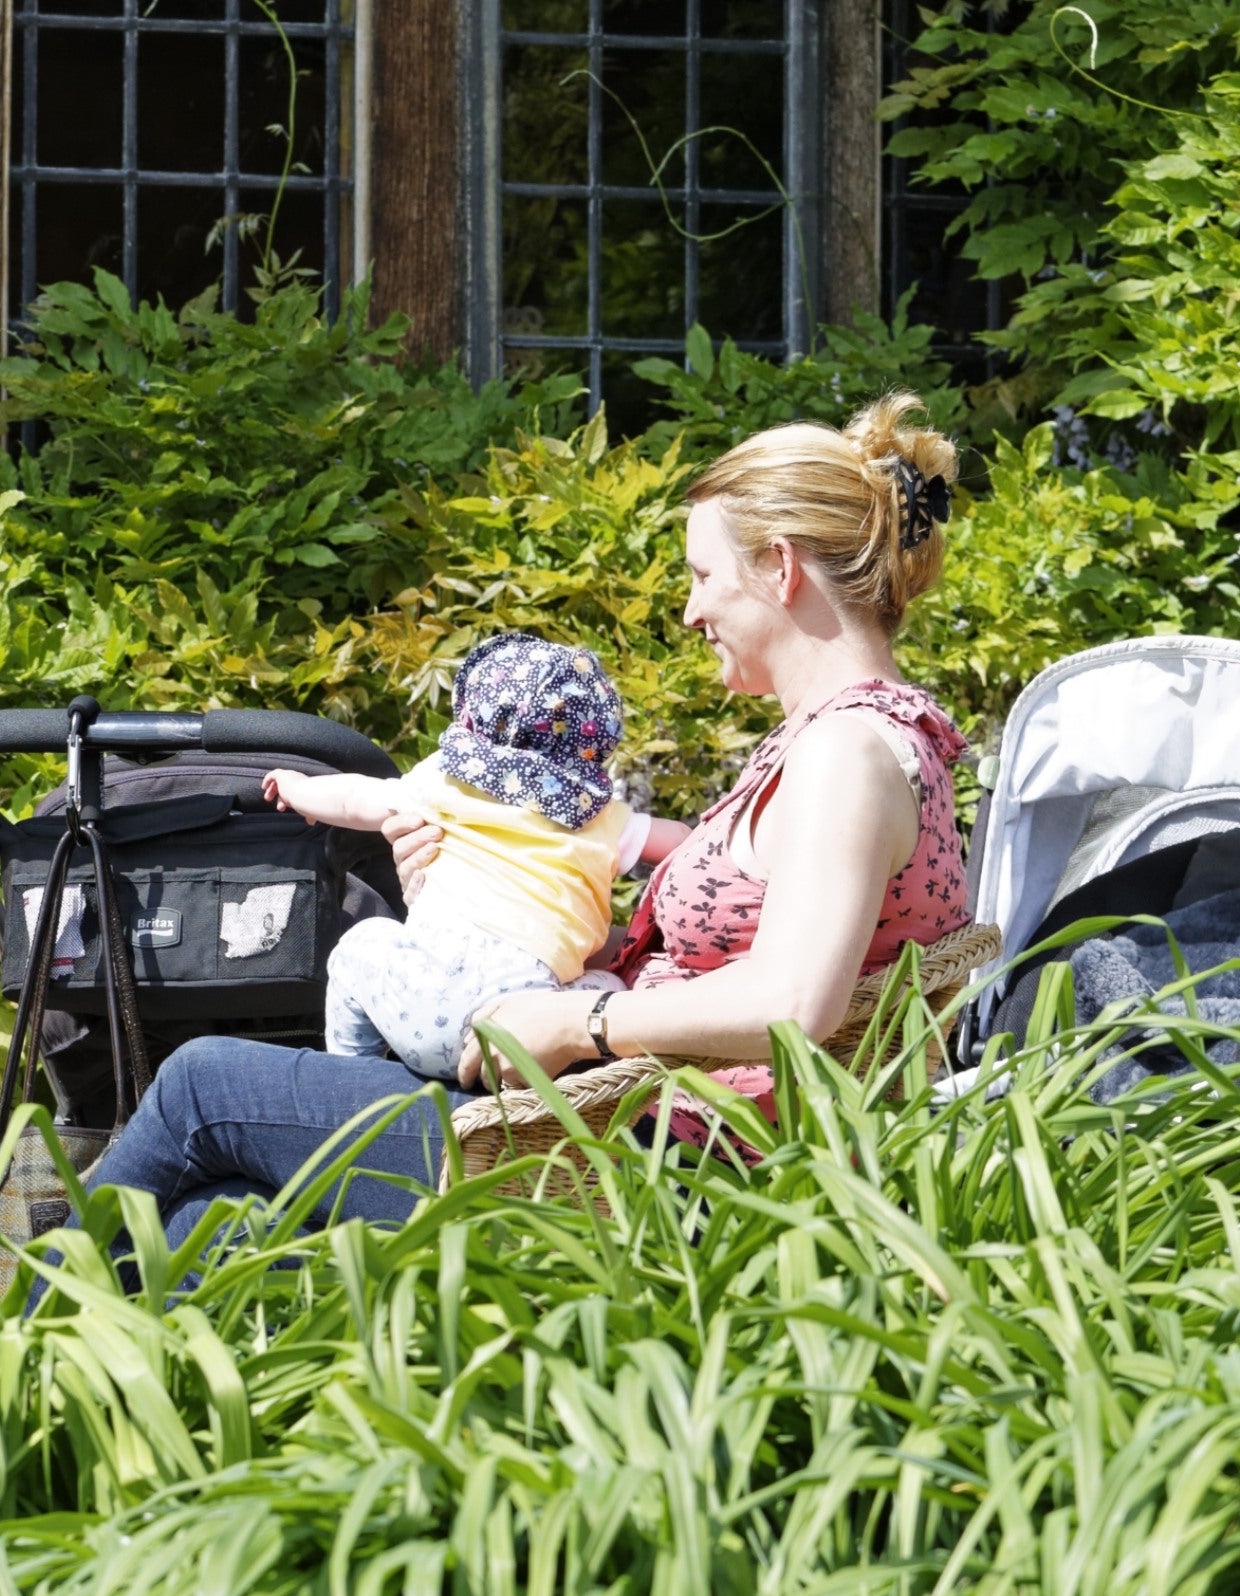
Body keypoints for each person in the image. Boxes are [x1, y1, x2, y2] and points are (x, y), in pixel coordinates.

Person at [82, 393, 970, 1243]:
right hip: (632, 1124)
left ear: (780, 568)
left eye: (704, 576)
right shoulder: (831, 743)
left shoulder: (848, 754)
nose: (692, 610)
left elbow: (792, 1000)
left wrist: (578, 1025)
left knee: (201, 1085)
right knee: (219, 1213)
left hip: (656, 1161)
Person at [264, 631, 689, 1080]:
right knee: (612, 990)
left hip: (420, 1018)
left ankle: (351, 1076)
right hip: (522, 1038)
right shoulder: (602, 819)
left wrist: (299, 789)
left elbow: (354, 799)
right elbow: (684, 843)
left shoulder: (442, 784)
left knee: (359, 943)